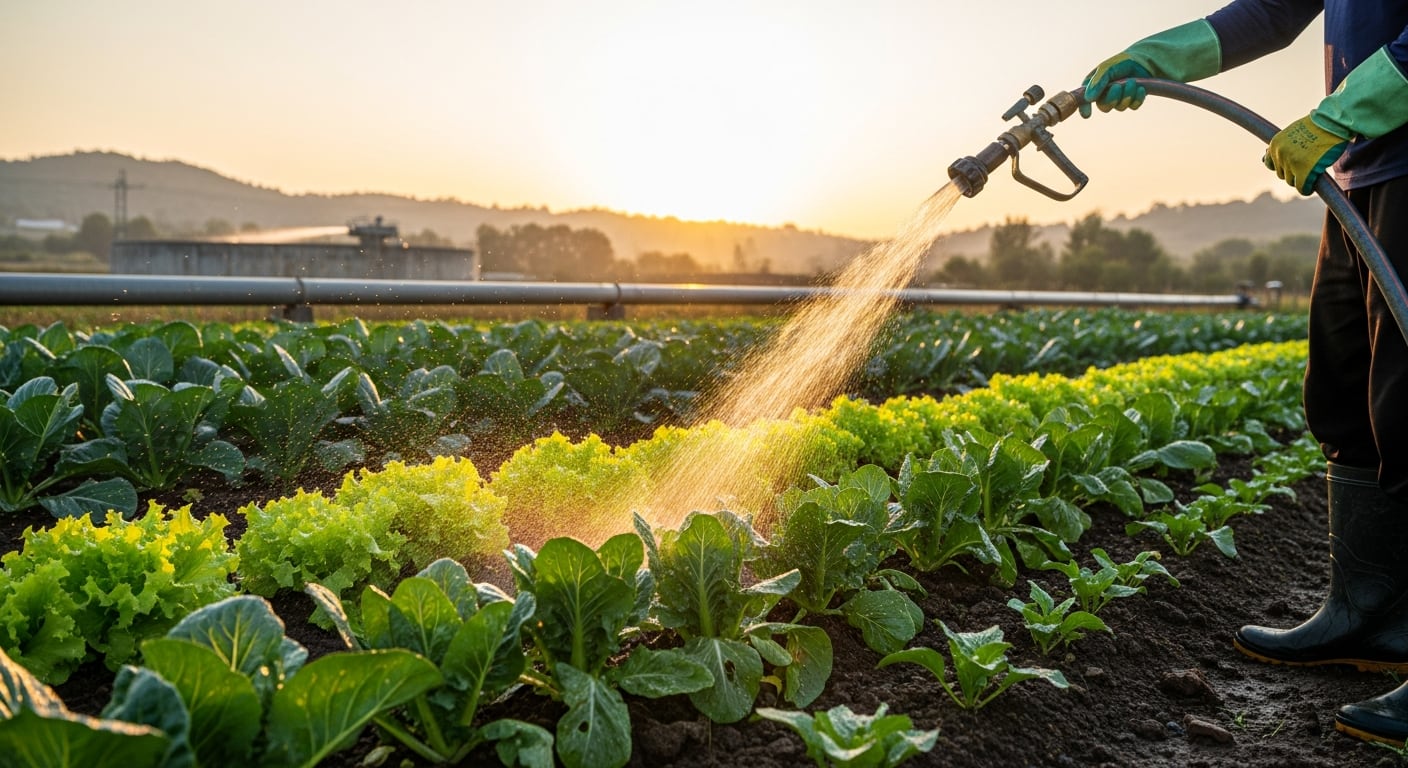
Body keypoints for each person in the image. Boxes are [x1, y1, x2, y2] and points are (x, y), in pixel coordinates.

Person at [1080, 1, 1408, 746]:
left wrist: (1345, 111)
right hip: (1362, 172)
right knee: (1346, 392)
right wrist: (1155, 57)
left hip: (1394, 152)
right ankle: (1366, 616)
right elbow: (1274, 9)